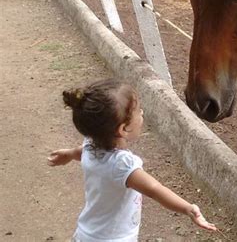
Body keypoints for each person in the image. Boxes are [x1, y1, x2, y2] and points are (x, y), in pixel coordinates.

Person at [47, 78, 217, 241]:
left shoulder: (91, 146)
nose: (141, 113)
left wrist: (69, 154)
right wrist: (187, 208)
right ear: (123, 129)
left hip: (86, 233)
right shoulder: (122, 166)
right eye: (138, 111)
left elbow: (81, 152)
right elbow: (155, 189)